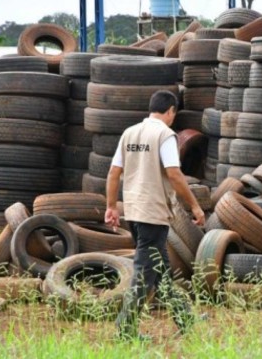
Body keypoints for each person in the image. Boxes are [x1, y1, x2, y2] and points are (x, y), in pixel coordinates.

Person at [104, 89, 206, 340]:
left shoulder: (130, 133)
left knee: (160, 271)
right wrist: (194, 205)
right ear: (171, 111)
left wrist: (111, 207)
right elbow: (174, 174)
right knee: (145, 273)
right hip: (153, 214)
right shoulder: (165, 135)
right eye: (174, 113)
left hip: (134, 212)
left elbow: (113, 173)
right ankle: (124, 330)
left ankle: (185, 319)